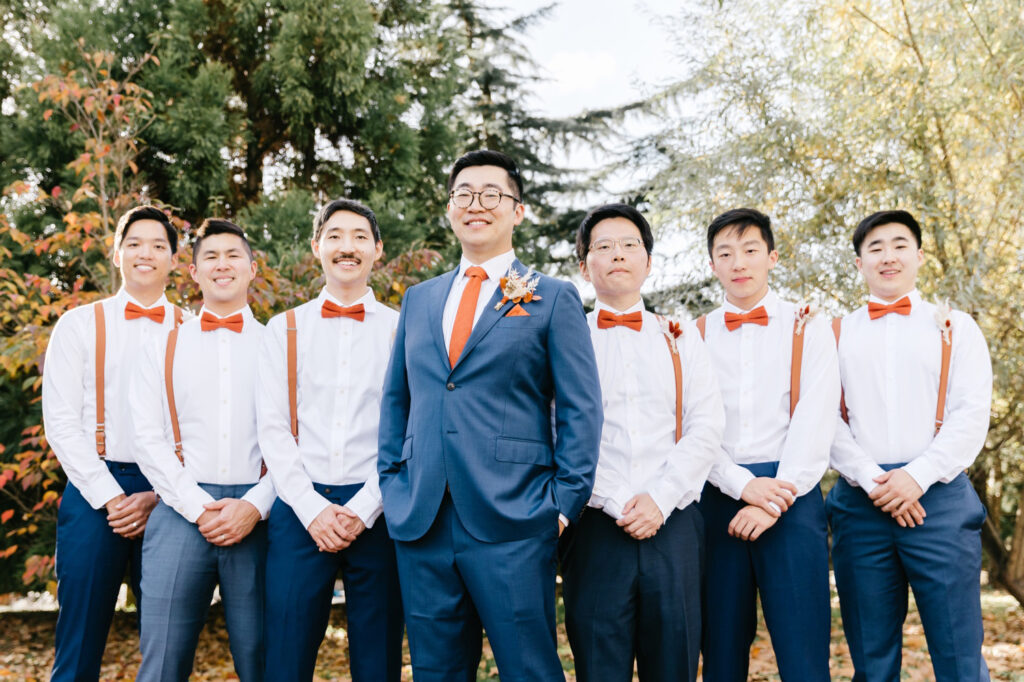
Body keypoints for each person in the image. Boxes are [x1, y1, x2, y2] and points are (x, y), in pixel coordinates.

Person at [377, 149, 602, 681]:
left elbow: (580, 407)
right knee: (435, 671)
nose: (476, 204)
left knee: (529, 671)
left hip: (516, 520)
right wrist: (394, 484)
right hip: (423, 519)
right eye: (464, 194)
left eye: (492, 194)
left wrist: (563, 504)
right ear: (451, 208)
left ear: (517, 210)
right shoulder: (419, 299)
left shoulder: (551, 297)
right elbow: (396, 402)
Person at [560, 203, 724, 682]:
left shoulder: (681, 337)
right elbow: (558, 431)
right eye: (603, 246)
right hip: (593, 527)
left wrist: (660, 497)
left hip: (673, 525)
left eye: (630, 244)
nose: (617, 254)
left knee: (674, 663)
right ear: (584, 264)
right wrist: (614, 499)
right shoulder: (566, 339)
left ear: (648, 262)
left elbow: (706, 424)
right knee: (599, 665)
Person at [827, 209, 992, 681]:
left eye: (899, 245)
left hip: (939, 499)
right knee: (871, 657)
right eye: (875, 248)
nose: (888, 256)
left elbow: (970, 415)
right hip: (862, 502)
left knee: (959, 654)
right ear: (859, 262)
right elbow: (826, 420)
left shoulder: (956, 327)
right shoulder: (835, 334)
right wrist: (877, 482)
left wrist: (914, 477)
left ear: (919, 256)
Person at [257, 199, 403, 681]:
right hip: (300, 510)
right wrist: (311, 508)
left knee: (377, 656)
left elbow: (408, 430)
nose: (348, 247)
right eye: (335, 236)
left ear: (377, 250)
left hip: (378, 511)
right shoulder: (284, 328)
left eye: (360, 236)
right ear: (316, 246)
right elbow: (273, 427)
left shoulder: (402, 330)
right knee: (286, 651)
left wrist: (364, 508)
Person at [43, 206, 184, 681]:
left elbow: (206, 424)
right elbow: (61, 424)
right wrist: (112, 497)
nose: (146, 253)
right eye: (135, 243)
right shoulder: (79, 324)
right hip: (94, 488)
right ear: (117, 252)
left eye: (159, 245)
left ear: (174, 259)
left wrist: (163, 494)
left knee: (167, 641)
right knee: (78, 637)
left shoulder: (195, 329)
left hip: (173, 493)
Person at [130, 219, 274, 682]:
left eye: (233, 254)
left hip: (262, 513)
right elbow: (147, 438)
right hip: (179, 509)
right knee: (163, 662)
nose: (222, 264)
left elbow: (299, 437)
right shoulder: (162, 346)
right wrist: (197, 507)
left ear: (253, 269)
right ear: (193, 272)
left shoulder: (281, 344)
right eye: (210, 257)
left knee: (264, 660)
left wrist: (255, 504)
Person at [698, 208, 838, 681]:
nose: (739, 262)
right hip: (716, 495)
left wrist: (773, 497)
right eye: (726, 253)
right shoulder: (692, 336)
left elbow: (817, 419)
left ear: (772, 257)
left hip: (792, 497)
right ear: (713, 264)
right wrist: (741, 485)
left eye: (751, 250)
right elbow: (690, 427)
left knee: (803, 652)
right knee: (720, 647)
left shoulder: (807, 325)